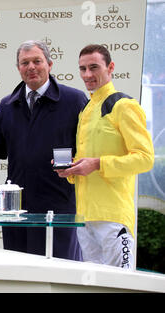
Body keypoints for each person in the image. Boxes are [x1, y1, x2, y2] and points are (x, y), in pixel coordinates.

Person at [56, 44, 154, 269]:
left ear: (110, 68)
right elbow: (86, 162)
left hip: (113, 217)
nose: (87, 75)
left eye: (94, 67)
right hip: (85, 218)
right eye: (82, 69)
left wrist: (98, 164)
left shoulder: (124, 105)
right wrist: (71, 170)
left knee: (120, 285)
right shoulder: (86, 109)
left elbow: (145, 158)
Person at [0, 40, 87, 260]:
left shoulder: (74, 100)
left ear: (50, 64)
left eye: (37, 61)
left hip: (59, 207)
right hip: (17, 210)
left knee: (61, 274)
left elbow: (86, 149)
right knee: (20, 275)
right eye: (25, 63)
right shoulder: (7, 105)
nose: (31, 67)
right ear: (18, 69)